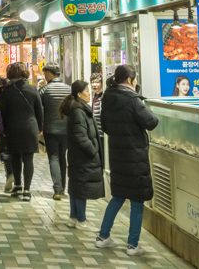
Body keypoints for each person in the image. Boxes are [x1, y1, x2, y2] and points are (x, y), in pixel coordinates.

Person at [95, 64, 158, 256]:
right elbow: (151, 122)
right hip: (135, 156)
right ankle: (132, 245)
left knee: (118, 196)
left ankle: (102, 236)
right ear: (130, 80)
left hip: (117, 155)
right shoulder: (133, 100)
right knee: (137, 200)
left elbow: (104, 125)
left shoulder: (108, 97)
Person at [0, 62, 43, 201]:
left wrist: (1, 128)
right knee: (28, 159)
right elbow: (39, 111)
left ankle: (17, 186)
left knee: (15, 157)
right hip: (30, 127)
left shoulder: (4, 91)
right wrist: (39, 128)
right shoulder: (33, 89)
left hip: (11, 128)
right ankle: (27, 190)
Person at [62, 80, 103, 229]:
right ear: (79, 94)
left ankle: (74, 217)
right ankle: (81, 219)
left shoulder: (78, 108)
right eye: (87, 91)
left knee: (76, 186)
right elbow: (80, 135)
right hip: (82, 157)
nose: (89, 94)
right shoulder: (79, 110)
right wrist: (92, 150)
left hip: (77, 156)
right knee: (80, 188)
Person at [40, 63, 72, 200]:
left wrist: (40, 128)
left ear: (49, 73)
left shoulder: (45, 90)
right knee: (62, 157)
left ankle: (57, 189)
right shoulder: (69, 89)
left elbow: (39, 109)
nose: (44, 76)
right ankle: (63, 188)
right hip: (66, 129)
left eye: (45, 73)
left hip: (50, 128)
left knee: (53, 157)